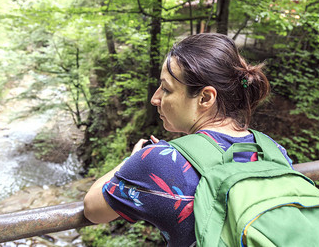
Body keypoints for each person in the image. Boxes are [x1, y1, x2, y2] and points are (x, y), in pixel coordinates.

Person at [83, 33, 292, 246]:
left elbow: (92, 209)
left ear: (205, 98)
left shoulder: (162, 161)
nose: (154, 99)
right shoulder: (273, 150)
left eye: (166, 88)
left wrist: (133, 159)